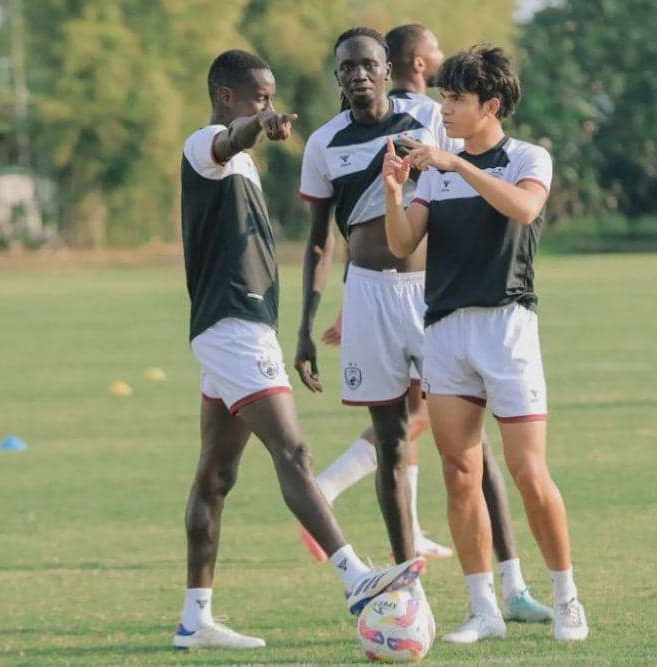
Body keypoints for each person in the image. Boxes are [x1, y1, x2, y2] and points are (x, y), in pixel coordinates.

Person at [299, 24, 552, 625]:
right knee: (391, 441)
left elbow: (464, 177)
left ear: (389, 68)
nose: (358, 74)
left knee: (473, 445)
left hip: (430, 294)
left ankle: (510, 586)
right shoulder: (324, 143)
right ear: (337, 77)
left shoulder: (427, 117)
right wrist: (310, 323)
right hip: (366, 294)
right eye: (346, 67)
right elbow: (317, 242)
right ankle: (407, 589)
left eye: (368, 63)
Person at [173, 49, 423, 651]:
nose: (269, 106)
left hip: (241, 324)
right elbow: (227, 140)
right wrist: (255, 127)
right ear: (228, 95)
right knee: (295, 450)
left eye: (271, 98)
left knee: (217, 475)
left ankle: (194, 621)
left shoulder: (241, 168)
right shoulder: (204, 145)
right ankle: (356, 579)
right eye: (260, 97)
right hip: (233, 327)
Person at [382, 45, 590, 643]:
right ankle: (482, 609)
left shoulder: (528, 157)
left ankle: (565, 596)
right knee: (458, 471)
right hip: (446, 330)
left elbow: (524, 208)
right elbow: (402, 245)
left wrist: (457, 166)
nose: (444, 108)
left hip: (507, 330)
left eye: (456, 99)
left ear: (491, 105)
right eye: (444, 97)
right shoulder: (436, 173)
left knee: (528, 472)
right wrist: (399, 191)